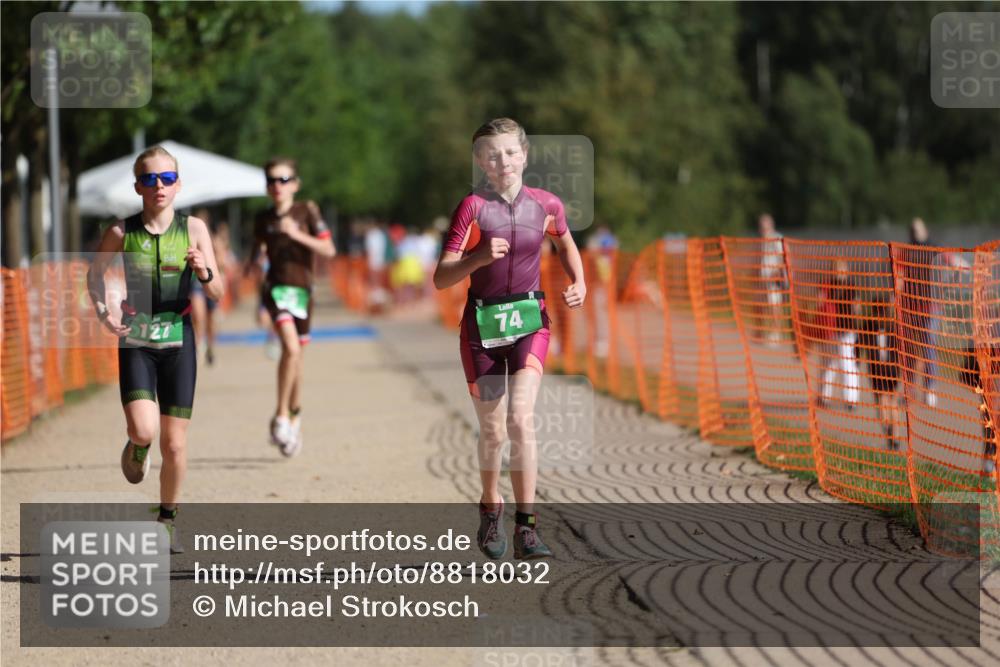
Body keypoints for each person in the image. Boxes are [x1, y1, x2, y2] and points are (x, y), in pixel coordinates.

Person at [433, 118, 586, 560]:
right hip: (481, 328)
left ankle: (528, 527)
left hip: (529, 321)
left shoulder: (547, 204)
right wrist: (478, 257)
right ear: (481, 161)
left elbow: (566, 244)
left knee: (521, 418)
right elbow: (442, 277)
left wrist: (580, 282)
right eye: (492, 154)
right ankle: (489, 504)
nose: (503, 161)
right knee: (494, 430)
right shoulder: (472, 208)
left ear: (525, 156)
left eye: (511, 152)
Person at [87, 145, 224, 552]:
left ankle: (167, 518)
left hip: (179, 338)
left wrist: (204, 271)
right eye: (149, 179)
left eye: (166, 178)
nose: (158, 186)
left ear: (178, 185)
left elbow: (217, 290)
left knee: (176, 443)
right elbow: (94, 276)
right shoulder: (120, 232)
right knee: (144, 430)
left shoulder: (195, 229)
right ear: (138, 187)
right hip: (138, 338)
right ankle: (136, 444)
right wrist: (102, 311)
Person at [246, 157, 336, 456]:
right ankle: (281, 414)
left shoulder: (306, 211)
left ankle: (293, 417)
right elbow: (257, 260)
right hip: (276, 291)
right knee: (291, 349)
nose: (277, 186)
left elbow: (328, 248)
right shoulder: (263, 219)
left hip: (303, 294)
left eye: (283, 180)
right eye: (271, 180)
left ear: (295, 184)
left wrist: (296, 234)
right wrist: (259, 301)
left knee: (296, 359)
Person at [817, 260, 861, 409]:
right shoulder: (828, 285)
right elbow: (820, 302)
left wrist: (855, 307)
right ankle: (824, 397)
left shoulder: (850, 286)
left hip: (846, 331)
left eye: (841, 268)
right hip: (831, 331)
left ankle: (851, 399)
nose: (838, 271)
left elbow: (856, 306)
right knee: (828, 364)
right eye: (835, 268)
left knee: (846, 363)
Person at [858, 300, 902, 449]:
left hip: (892, 370)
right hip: (877, 371)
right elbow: (859, 344)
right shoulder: (869, 327)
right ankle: (889, 431)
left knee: (891, 401)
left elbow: (901, 350)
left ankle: (894, 434)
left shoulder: (893, 328)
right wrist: (857, 359)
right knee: (883, 401)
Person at [758, 213, 786, 346]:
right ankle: (770, 331)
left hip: (775, 278)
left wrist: (777, 273)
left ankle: (776, 333)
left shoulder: (776, 238)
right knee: (768, 306)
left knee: (775, 306)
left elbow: (782, 258)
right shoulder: (763, 240)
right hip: (765, 278)